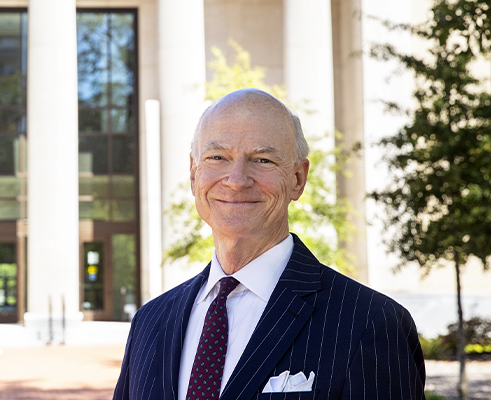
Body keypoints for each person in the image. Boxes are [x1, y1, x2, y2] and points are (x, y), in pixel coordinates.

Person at [112, 89, 425, 400]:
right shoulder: (149, 322)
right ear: (194, 175)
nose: (236, 179)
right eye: (217, 157)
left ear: (298, 179)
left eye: (262, 160)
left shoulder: (370, 322)